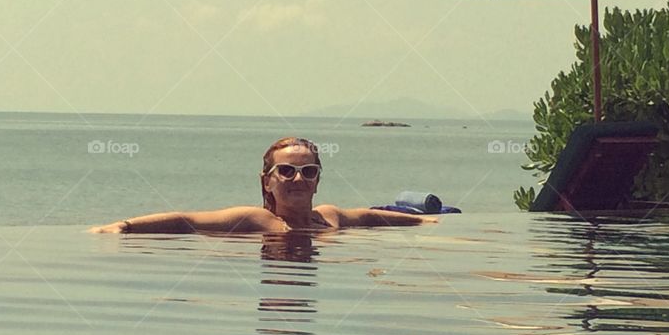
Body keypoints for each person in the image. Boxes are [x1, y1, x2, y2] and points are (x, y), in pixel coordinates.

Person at [89, 136, 438, 234]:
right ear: (267, 182)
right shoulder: (259, 221)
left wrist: (423, 221)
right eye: (286, 172)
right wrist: (126, 226)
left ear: (318, 181)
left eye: (308, 172)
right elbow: (187, 221)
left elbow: (371, 216)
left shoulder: (328, 217)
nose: (298, 179)